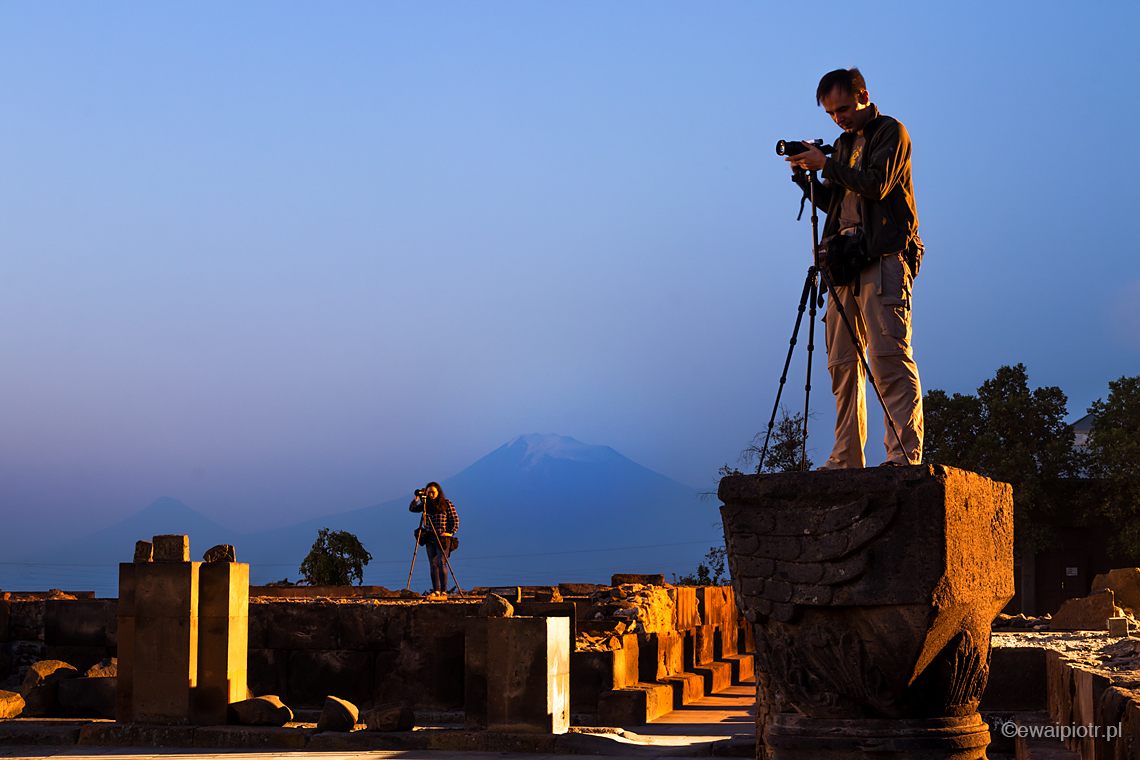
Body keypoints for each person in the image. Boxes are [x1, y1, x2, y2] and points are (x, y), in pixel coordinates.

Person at [784, 67, 924, 468]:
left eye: (843, 108)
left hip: (882, 257)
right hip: (844, 260)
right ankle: (847, 456)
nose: (838, 118)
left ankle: (902, 457)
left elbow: (877, 184)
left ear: (863, 94)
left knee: (887, 357)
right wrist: (804, 177)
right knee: (843, 364)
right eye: (830, 113)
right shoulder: (843, 146)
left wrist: (825, 165)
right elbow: (839, 204)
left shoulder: (890, 133)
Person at [409, 481, 460, 597]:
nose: (431, 494)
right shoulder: (426, 506)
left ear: (438, 492)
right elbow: (412, 509)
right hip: (429, 537)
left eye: (433, 492)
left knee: (441, 562)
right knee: (432, 564)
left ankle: (444, 591)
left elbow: (455, 520)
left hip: (443, 538)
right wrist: (417, 498)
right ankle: (436, 590)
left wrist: (449, 533)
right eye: (429, 492)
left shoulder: (446, 504)